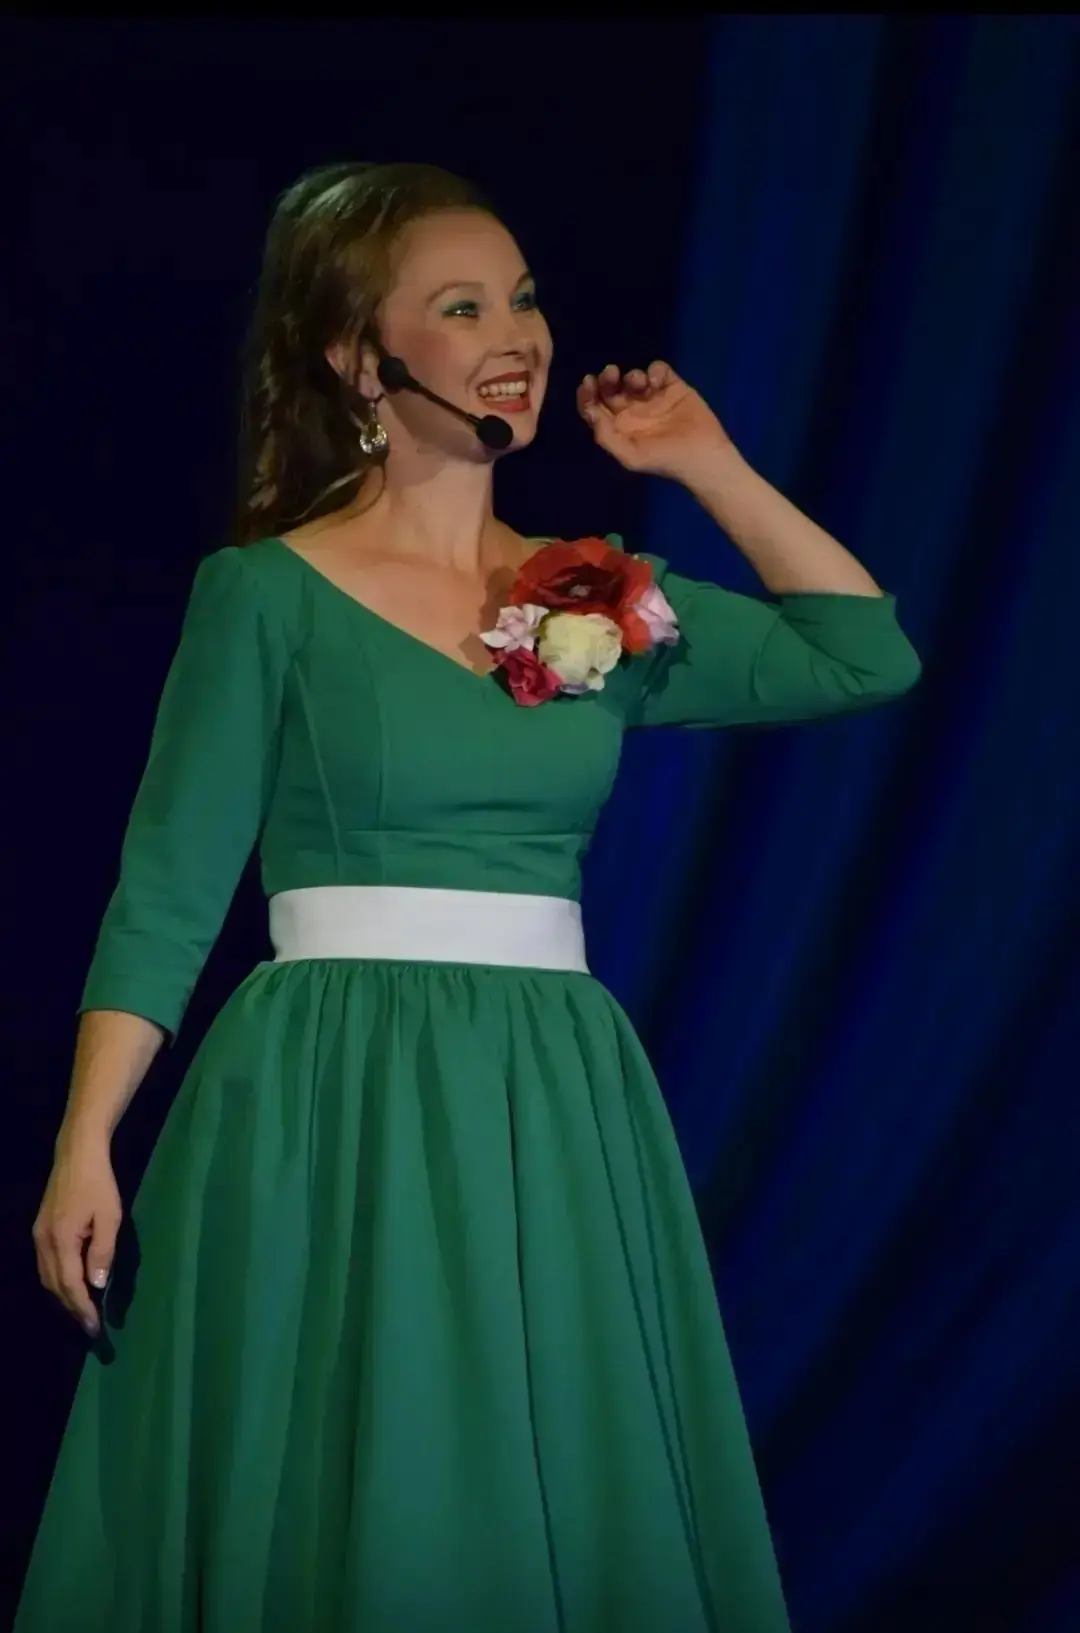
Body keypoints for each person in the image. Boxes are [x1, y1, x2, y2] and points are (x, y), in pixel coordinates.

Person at [18, 161, 921, 1633]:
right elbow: (169, 888)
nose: (514, 335)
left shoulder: (599, 594)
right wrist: (85, 1142)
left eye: (523, 298)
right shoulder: (267, 594)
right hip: (328, 1082)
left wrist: (705, 463)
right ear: (357, 358)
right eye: (459, 308)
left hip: (548, 1091)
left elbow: (864, 657)